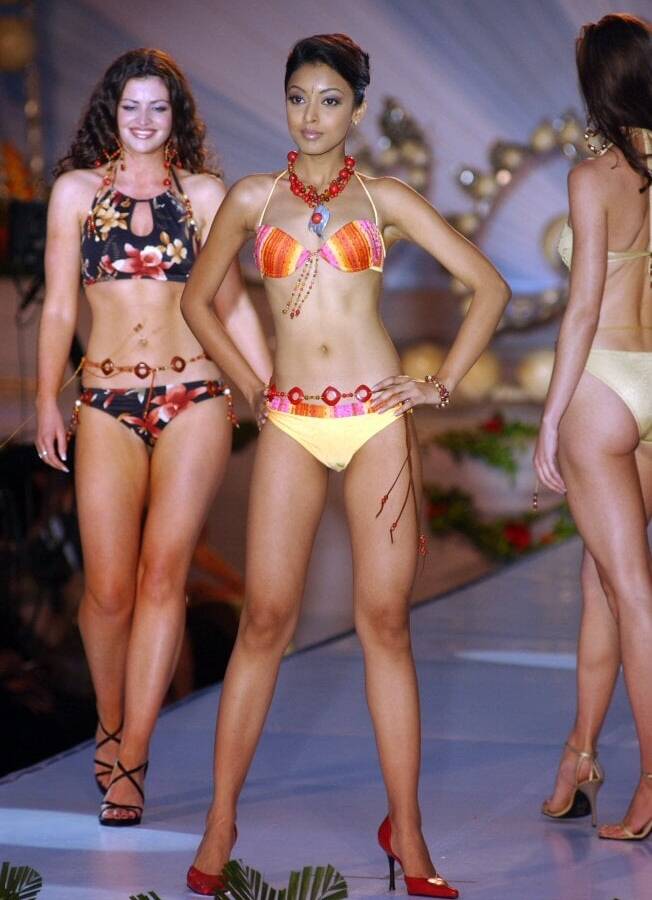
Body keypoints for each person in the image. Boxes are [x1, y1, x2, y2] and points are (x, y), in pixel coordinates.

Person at [181, 33, 509, 897]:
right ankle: (220, 822)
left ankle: (409, 831)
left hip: (376, 423)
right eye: (298, 97)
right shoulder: (253, 198)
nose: (311, 115)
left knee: (385, 624)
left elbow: (490, 286)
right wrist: (252, 384)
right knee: (264, 621)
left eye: (330, 100)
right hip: (292, 422)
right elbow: (197, 299)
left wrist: (439, 382)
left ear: (357, 110)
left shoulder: (384, 198)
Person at [34, 48, 271, 826]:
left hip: (194, 393)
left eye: (157, 107)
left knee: (163, 575)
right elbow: (60, 307)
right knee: (107, 592)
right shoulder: (76, 192)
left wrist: (269, 391)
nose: (143, 120)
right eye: (131, 105)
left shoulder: (203, 194)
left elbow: (233, 306)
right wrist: (45, 400)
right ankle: (111, 722)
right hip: (103, 399)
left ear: (178, 115)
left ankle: (133, 755)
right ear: (112, 110)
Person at [534, 14, 652, 841]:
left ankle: (651, 782)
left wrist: (549, 421)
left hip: (603, 387)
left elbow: (580, 312)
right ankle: (580, 757)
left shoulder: (594, 176)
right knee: (603, 585)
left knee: (632, 593)